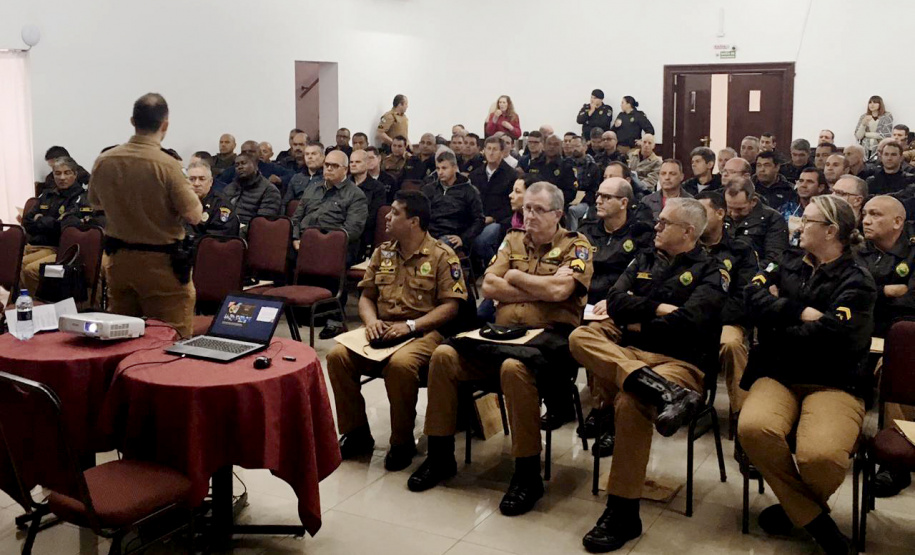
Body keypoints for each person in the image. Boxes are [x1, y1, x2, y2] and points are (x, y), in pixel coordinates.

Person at [409, 182, 593, 518]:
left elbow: (562, 290)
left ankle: (526, 474)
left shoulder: (576, 246)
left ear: (558, 214)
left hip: (547, 347)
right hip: (501, 335)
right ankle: (440, 455)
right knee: (444, 356)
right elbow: (488, 285)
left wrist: (514, 276)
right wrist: (537, 286)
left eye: (538, 210)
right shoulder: (512, 240)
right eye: (526, 209)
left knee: (513, 369)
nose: (530, 215)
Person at [569, 197, 726, 553]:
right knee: (580, 335)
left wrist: (639, 322)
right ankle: (661, 392)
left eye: (664, 223)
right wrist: (656, 308)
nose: (655, 227)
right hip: (630, 352)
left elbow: (690, 323)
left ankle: (622, 511)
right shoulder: (644, 257)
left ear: (687, 232)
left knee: (629, 400)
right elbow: (613, 299)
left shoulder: (712, 270)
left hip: (679, 362)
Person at [738, 195, 876, 555]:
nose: (798, 226)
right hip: (779, 372)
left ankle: (793, 508)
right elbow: (750, 297)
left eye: (807, 222)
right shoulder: (787, 261)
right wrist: (800, 312)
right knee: (754, 428)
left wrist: (777, 323)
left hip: (834, 378)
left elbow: (833, 334)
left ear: (831, 231)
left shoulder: (857, 280)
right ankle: (818, 523)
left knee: (822, 457)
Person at [326, 190, 466, 470]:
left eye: (395, 213)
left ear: (413, 221)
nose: (387, 217)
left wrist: (411, 326)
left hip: (423, 331)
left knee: (401, 366)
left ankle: (401, 441)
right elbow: (366, 296)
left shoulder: (442, 255)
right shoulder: (383, 251)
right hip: (384, 328)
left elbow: (451, 306)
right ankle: (356, 433)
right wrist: (370, 321)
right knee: (337, 356)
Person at [88, 93, 203, 337]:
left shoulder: (105, 160)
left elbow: (95, 203)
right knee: (172, 338)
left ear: (132, 121)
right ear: (165, 125)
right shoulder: (167, 165)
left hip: (119, 261)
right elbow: (194, 215)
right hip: (161, 265)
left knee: (121, 336)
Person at [577, 177, 655, 456]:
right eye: (597, 195)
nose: (598, 200)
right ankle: (568, 400)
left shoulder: (641, 233)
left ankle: (604, 410)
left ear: (624, 202)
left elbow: (642, 277)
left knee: (598, 332)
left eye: (606, 197)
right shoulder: (586, 230)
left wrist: (617, 303)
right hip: (584, 299)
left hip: (618, 304)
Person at [859, 195, 915, 498]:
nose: (866, 219)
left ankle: (895, 465)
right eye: (865, 213)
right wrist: (884, 291)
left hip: (898, 333)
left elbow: (910, 300)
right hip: (862, 330)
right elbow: (852, 292)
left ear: (897, 222)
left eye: (875, 214)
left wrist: (872, 294)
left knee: (897, 369)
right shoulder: (858, 249)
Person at [696, 191, 758, 417]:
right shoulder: (687, 247)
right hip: (689, 315)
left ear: (720, 213)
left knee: (730, 344)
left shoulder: (740, 250)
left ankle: (742, 415)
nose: (695, 219)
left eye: (701, 212)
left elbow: (744, 296)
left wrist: (709, 317)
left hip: (726, 319)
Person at [21, 157, 102, 293]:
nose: (62, 177)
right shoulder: (47, 195)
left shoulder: (82, 198)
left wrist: (40, 219)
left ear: (75, 174)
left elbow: (64, 228)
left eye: (67, 173)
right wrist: (49, 222)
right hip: (34, 244)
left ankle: (40, 304)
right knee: (10, 262)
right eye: (57, 173)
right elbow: (27, 222)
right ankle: (18, 302)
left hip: (56, 248)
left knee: (26, 267)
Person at [421, 151, 484, 252]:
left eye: (444, 168)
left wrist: (463, 239)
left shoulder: (469, 191)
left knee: (437, 248)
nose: (440, 172)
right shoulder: (428, 189)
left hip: (453, 236)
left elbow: (479, 220)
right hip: (429, 234)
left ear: (454, 168)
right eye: (438, 168)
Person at [469, 136, 516, 264]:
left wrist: (493, 218)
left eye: (495, 149)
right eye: (488, 149)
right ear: (483, 151)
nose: (491, 152)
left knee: (481, 241)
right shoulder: (475, 174)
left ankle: (496, 267)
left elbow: (511, 205)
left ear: (502, 152)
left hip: (500, 220)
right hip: (477, 218)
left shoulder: (511, 175)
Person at [724, 177, 788, 267]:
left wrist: (759, 277)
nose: (734, 214)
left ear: (753, 201)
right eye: (730, 208)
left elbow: (775, 259)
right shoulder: (721, 214)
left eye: (740, 209)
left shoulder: (773, 219)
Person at [222, 152, 282, 234]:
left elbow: (262, 224)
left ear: (255, 166)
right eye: (237, 165)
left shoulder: (269, 190)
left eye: (243, 163)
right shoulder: (229, 188)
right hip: (225, 229)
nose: (240, 167)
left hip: (250, 234)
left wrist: (237, 230)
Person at [184, 161, 239, 245]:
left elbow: (216, 241)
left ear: (210, 182)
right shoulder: (180, 202)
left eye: (202, 179)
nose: (196, 184)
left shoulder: (221, 206)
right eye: (192, 179)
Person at [350, 149, 387, 256]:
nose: (353, 165)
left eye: (357, 162)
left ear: (367, 164)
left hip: (364, 233)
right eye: (351, 162)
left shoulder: (377, 188)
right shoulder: (343, 185)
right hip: (342, 230)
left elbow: (374, 216)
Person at [564, 135, 602, 227]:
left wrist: (579, 198)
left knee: (572, 210)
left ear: (585, 147)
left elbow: (594, 189)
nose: (574, 149)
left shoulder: (593, 167)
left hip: (585, 201)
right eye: (572, 147)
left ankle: (573, 236)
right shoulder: (565, 164)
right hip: (567, 198)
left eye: (577, 146)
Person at [785, 168, 829, 244]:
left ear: (820, 187)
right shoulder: (785, 209)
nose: (803, 185)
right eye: (801, 181)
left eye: (810, 182)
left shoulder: (827, 212)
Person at [282, 142, 325, 210]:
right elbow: (285, 203)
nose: (309, 157)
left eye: (313, 154)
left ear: (323, 157)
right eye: (307, 154)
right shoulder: (296, 178)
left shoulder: (327, 179)